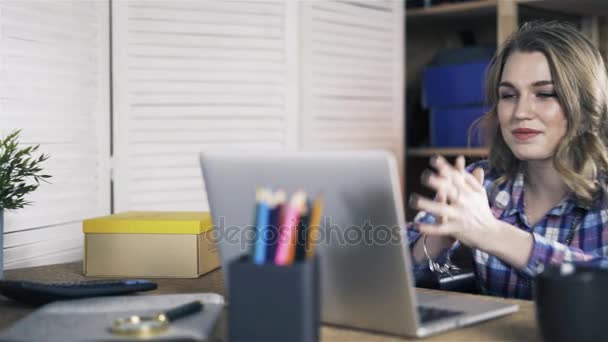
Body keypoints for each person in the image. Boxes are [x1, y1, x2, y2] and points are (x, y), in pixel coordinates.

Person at [407, 21, 608, 300]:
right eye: (509, 95)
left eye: (545, 93)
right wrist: (436, 239)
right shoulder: (482, 183)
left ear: (587, 109)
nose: (520, 112)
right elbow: (391, 271)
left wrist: (493, 234)